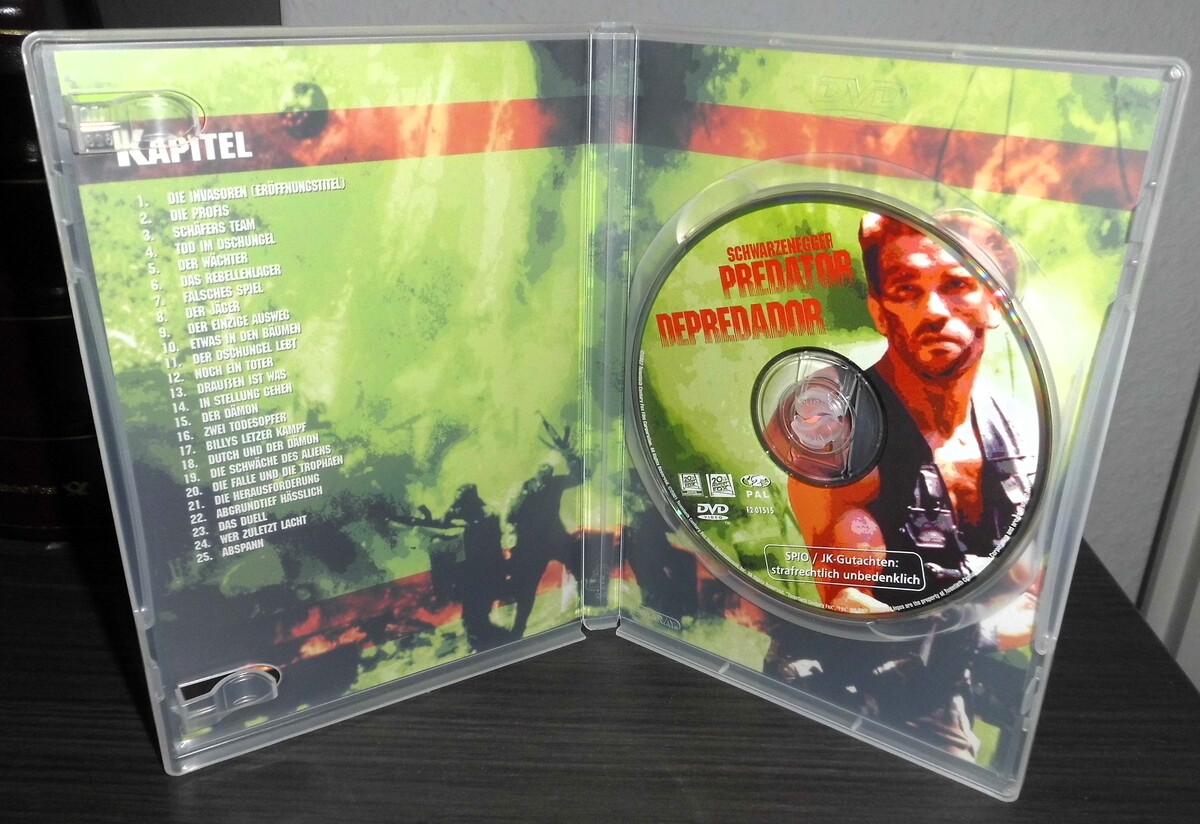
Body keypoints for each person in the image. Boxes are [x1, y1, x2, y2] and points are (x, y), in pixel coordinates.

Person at [763, 212, 1037, 760]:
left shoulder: (1021, 427)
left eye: (957, 284)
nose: (933, 310)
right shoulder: (838, 423)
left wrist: (988, 632)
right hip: (857, 676)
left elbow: (1036, 585)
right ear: (879, 311)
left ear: (997, 302)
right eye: (907, 290)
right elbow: (847, 599)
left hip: (967, 662)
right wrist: (976, 631)